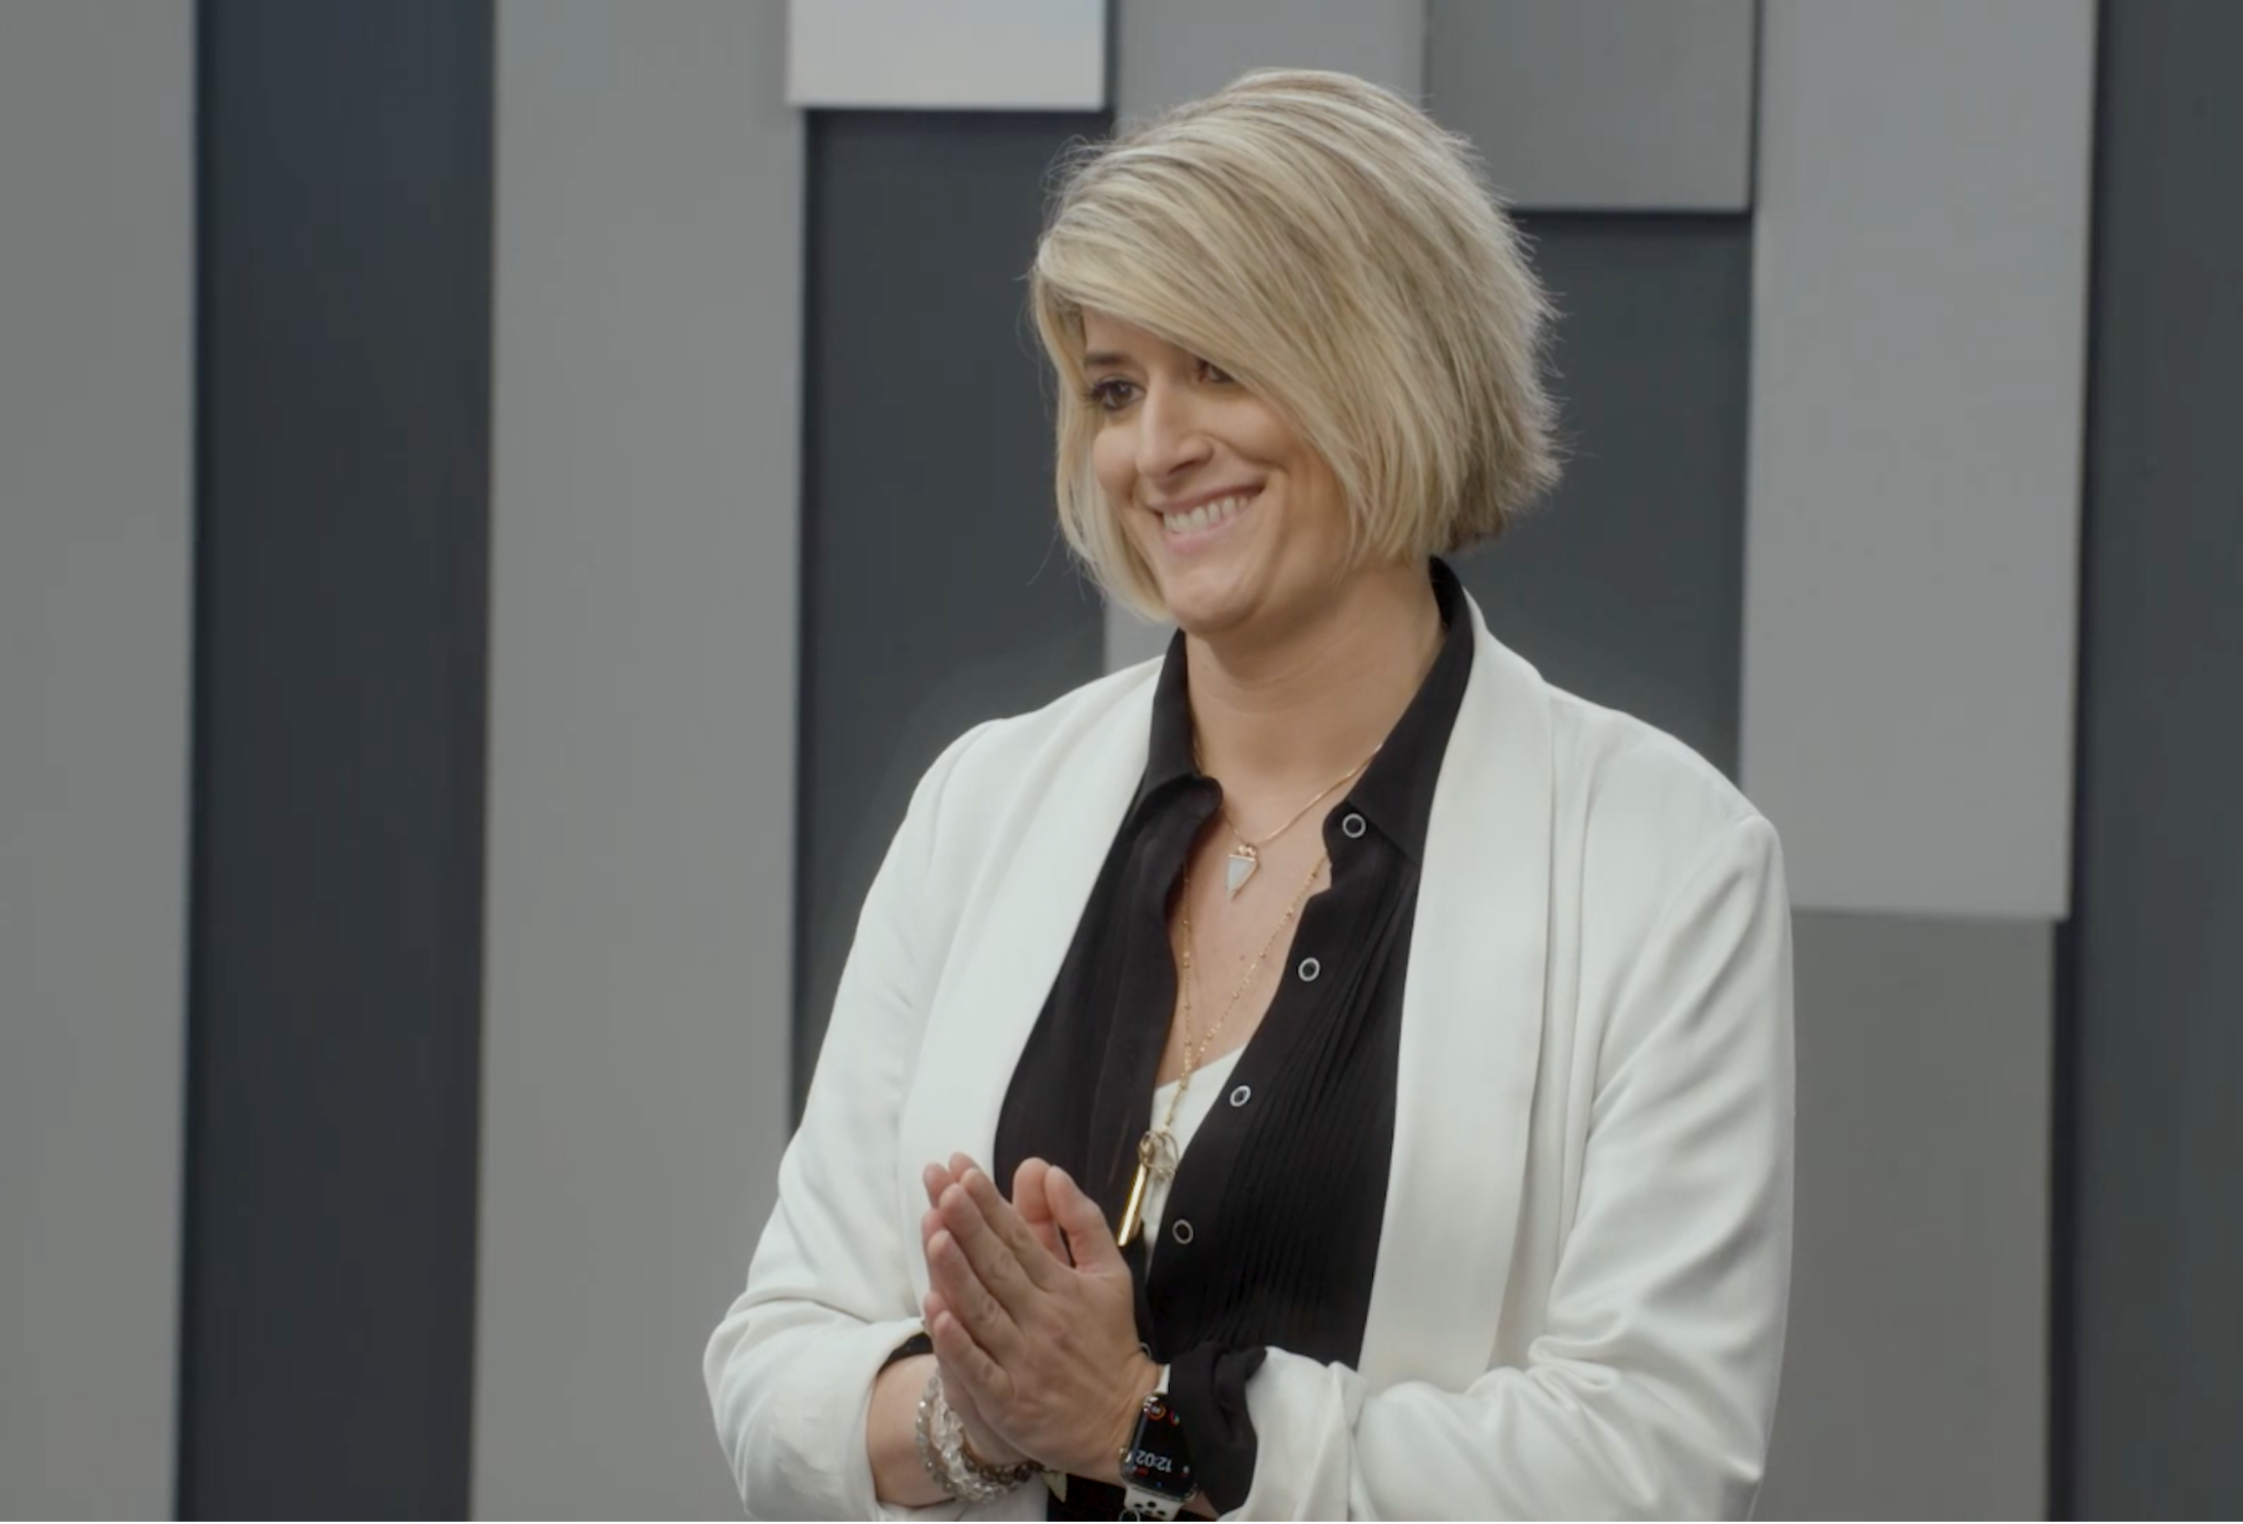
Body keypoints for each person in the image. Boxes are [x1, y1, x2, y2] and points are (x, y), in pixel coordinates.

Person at [705, 68, 1793, 1523]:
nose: (1156, 449)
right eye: (1116, 388)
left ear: (1392, 369)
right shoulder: (985, 804)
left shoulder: (1667, 862)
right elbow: (776, 1368)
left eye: (1219, 367)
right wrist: (981, 1423)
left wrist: (1141, 1424)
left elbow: (1646, 1466)